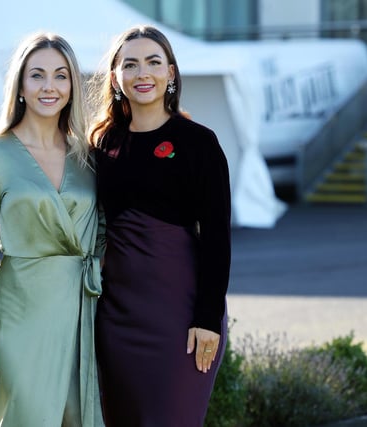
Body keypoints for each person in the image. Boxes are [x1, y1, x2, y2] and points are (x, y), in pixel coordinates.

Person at [88, 25, 231, 426]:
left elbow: (218, 236)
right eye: (129, 64)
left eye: (153, 62)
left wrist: (207, 318)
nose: (142, 73)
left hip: (181, 317)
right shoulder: (102, 143)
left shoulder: (199, 142)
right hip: (117, 319)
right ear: (115, 78)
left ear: (171, 72)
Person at [0, 32, 104, 426]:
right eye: (37, 75)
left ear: (73, 84)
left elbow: (107, 234)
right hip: (19, 318)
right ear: (20, 85)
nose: (49, 86)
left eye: (60, 75)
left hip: (82, 317)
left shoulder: (87, 155)